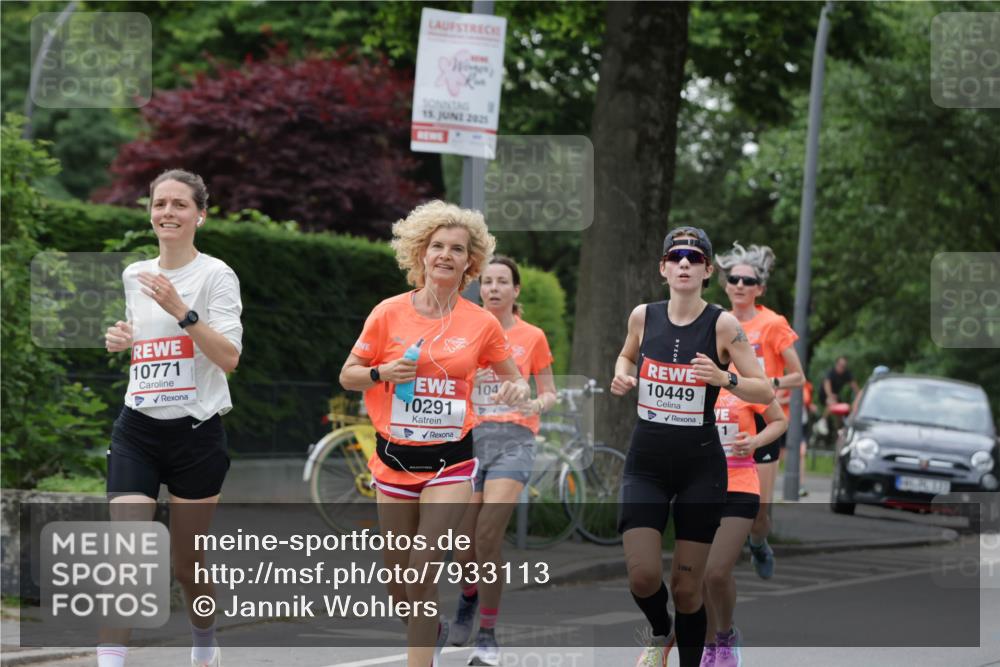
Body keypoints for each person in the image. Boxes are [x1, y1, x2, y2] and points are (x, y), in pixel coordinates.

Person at [339, 201, 530, 667]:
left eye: (457, 249)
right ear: (421, 254)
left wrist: (513, 389)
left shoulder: (481, 322)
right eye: (438, 246)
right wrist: (383, 370)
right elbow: (349, 375)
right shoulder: (388, 313)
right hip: (394, 462)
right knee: (399, 584)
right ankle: (434, 629)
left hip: (451, 463)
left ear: (471, 262)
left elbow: (515, 378)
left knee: (423, 569)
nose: (446, 255)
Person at [610, 227, 774, 667]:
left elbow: (764, 392)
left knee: (687, 588)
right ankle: (660, 632)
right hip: (646, 463)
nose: (685, 263)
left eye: (695, 257)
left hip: (701, 466)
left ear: (706, 270)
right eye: (676, 256)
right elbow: (626, 355)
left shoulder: (723, 324)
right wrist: (623, 373)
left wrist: (726, 379)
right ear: (663, 268)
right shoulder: (643, 316)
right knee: (643, 576)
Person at [102, 169, 243, 667]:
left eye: (180, 204)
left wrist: (183, 309)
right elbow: (148, 341)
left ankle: (204, 643)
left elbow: (228, 357)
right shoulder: (135, 274)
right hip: (138, 427)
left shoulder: (216, 275)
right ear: (150, 212)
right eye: (160, 203)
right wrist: (124, 338)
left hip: (196, 433)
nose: (168, 212)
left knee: (188, 565)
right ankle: (111, 659)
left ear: (199, 215)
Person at [449, 255, 557, 666]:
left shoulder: (532, 336)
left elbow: (549, 393)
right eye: (487, 282)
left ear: (516, 290)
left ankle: (489, 634)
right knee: (463, 545)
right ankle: (467, 598)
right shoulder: (466, 330)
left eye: (502, 282)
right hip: (469, 439)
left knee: (488, 535)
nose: (493, 288)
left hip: (514, 439)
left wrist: (532, 398)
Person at [714, 242, 804, 580]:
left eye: (748, 281)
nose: (739, 285)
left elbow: (799, 376)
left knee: (759, 512)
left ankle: (758, 543)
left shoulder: (772, 324)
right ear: (725, 284)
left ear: (759, 289)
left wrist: (768, 382)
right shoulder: (717, 321)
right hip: (726, 420)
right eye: (734, 279)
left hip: (764, 421)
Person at [700, 389, 786, 667]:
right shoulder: (693, 375)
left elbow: (779, 420)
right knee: (701, 574)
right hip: (698, 486)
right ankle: (710, 642)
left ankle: (726, 637)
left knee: (716, 571)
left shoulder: (745, 379)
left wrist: (755, 441)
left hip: (739, 485)